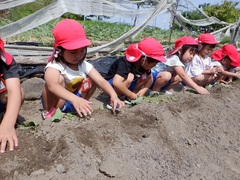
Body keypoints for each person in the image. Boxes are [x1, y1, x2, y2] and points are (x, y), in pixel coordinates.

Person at [41, 19, 124, 119]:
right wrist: (74, 99)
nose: (78, 55)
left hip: (76, 100)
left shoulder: (83, 65)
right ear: (60, 50)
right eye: (73, 52)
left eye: (82, 51)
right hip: (58, 103)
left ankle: (83, 106)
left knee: (92, 79)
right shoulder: (55, 65)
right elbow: (52, 85)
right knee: (59, 79)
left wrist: (113, 95)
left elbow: (101, 81)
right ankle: (48, 112)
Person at [0, 38, 25, 153]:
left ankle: (6, 118)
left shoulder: (6, 63)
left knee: (20, 92)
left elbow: (14, 92)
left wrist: (7, 124)